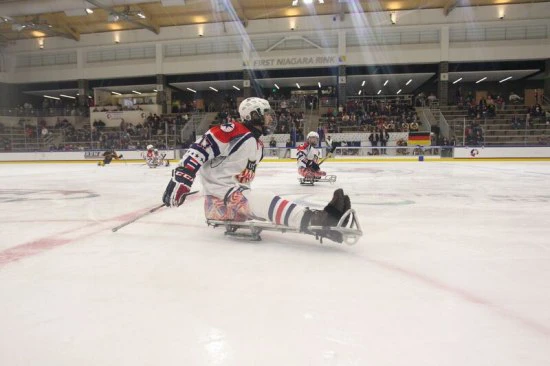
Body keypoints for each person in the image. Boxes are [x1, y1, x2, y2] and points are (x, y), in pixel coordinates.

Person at [162, 97, 352, 243]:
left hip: (234, 195)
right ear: (254, 115)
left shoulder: (257, 144)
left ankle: (321, 217)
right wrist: (182, 179)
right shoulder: (234, 131)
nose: (271, 117)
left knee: (257, 199)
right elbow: (200, 148)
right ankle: (320, 221)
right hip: (221, 199)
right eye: (266, 113)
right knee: (263, 199)